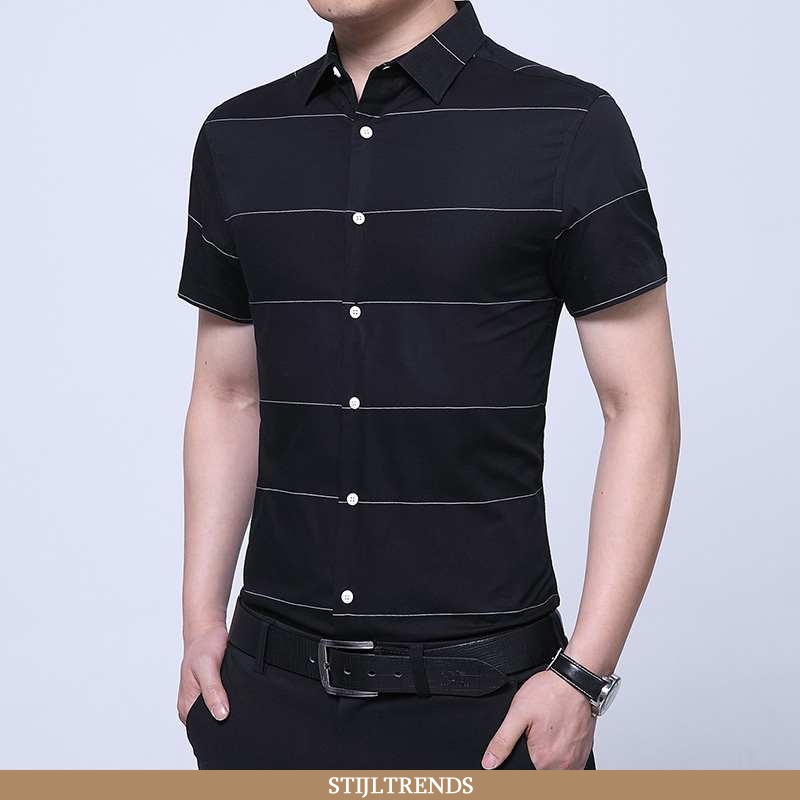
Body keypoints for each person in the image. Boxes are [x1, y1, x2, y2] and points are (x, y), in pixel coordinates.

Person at [176, 0, 680, 770]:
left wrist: (582, 677)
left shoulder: (568, 125)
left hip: (491, 715)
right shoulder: (238, 136)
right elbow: (227, 394)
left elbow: (640, 407)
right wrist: (199, 624)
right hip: (267, 702)